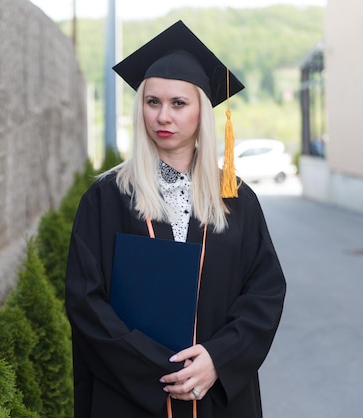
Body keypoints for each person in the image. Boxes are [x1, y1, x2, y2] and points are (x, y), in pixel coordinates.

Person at [65, 20, 286, 418]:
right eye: (153, 102)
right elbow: (85, 302)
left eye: (178, 103)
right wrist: (161, 370)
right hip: (129, 398)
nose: (163, 116)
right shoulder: (107, 198)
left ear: (202, 110)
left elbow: (264, 294)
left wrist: (217, 360)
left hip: (218, 398)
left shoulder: (236, 199)